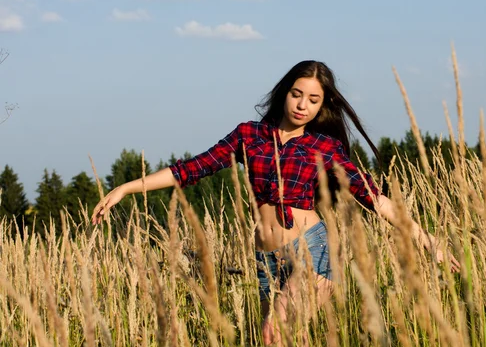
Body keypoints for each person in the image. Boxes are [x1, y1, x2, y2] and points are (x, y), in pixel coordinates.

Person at [92, 60, 460, 345]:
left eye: (313, 100)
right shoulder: (248, 135)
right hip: (264, 260)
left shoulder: (323, 147)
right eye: (297, 94)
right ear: (284, 92)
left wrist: (429, 241)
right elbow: (192, 169)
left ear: (322, 106)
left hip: (310, 250)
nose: (303, 105)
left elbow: (374, 200)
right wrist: (126, 187)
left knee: (274, 330)